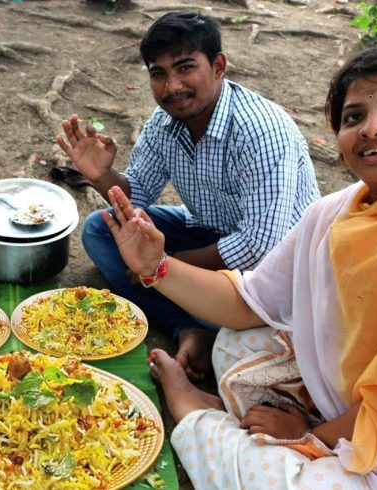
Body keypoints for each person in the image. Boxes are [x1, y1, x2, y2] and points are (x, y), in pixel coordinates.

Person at [104, 42, 377, 488]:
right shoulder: (340, 209)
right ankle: (276, 414)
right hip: (350, 395)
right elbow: (248, 302)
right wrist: (157, 264)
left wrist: (308, 436)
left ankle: (194, 413)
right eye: (354, 117)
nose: (372, 129)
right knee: (232, 342)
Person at [56, 12, 320, 380]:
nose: (172, 86)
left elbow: (261, 244)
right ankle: (187, 326)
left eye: (185, 68)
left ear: (218, 66)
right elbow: (139, 196)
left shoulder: (260, 131)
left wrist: (163, 266)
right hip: (210, 234)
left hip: (274, 264)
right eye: (159, 73)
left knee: (262, 321)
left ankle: (208, 320)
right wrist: (102, 176)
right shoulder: (164, 123)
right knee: (100, 230)